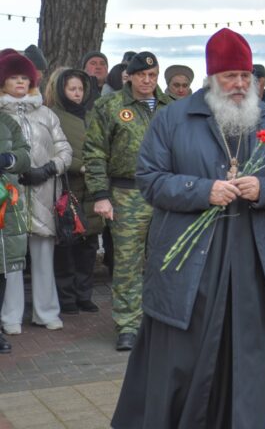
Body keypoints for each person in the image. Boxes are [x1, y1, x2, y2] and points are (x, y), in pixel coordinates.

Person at [111, 28, 265, 429]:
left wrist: (263, 187)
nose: (240, 85)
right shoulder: (174, 118)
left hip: (250, 255)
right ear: (211, 77)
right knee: (184, 356)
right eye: (231, 76)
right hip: (189, 263)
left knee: (244, 352)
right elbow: (150, 180)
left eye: (246, 76)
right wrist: (203, 191)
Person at [84, 51, 172, 351]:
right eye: (141, 75)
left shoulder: (170, 107)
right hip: (126, 192)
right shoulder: (110, 106)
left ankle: (162, 321)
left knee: (166, 260)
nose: (147, 81)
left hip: (166, 193)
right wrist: (100, 195)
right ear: (130, 77)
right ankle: (128, 325)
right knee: (127, 263)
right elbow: (95, 152)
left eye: (152, 75)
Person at [0, 52, 72, 335]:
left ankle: (46, 311)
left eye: (24, 78)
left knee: (43, 256)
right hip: (10, 196)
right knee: (12, 259)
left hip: (42, 193)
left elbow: (65, 150)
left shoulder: (46, 114)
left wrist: (49, 168)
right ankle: (11, 316)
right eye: (13, 78)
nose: (20, 82)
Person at [48, 69, 104, 315]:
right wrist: (76, 165)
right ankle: (66, 296)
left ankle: (84, 294)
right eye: (72, 89)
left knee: (88, 244)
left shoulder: (92, 115)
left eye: (80, 89)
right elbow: (51, 150)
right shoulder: (54, 116)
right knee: (67, 245)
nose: (77, 93)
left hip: (92, 189)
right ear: (62, 90)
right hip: (67, 188)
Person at [0, 101, 30, 353]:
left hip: (4, 208)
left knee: (1, 270)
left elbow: (25, 154)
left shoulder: (7, 122)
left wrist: (9, 159)